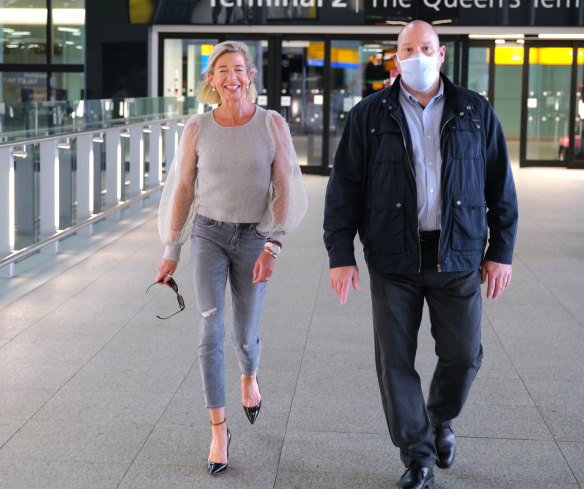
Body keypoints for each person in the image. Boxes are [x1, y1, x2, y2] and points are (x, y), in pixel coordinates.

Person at [323, 20, 518, 489]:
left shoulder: (474, 111)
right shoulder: (369, 115)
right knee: (395, 360)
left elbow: (500, 185)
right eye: (407, 48)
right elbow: (343, 188)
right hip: (393, 257)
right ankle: (417, 456)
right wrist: (339, 254)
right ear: (396, 56)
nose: (417, 54)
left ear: (441, 53)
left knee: (464, 354)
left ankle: (439, 419)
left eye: (425, 46)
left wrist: (502, 251)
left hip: (459, 254)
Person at [155, 41, 307, 476]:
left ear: (250, 76)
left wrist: (273, 245)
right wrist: (171, 251)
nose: (231, 77)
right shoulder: (198, 128)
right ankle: (219, 430)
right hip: (208, 234)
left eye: (238, 69)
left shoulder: (271, 124)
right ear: (211, 79)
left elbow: (284, 185)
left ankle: (249, 376)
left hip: (254, 239)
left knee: (244, 335)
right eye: (222, 70)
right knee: (209, 329)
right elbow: (184, 189)